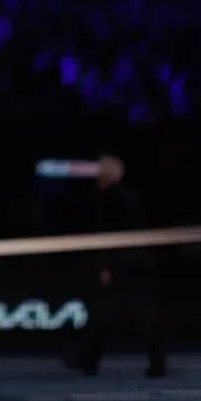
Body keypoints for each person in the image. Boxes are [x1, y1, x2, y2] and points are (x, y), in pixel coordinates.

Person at [67, 155, 167, 378]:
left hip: (125, 263)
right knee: (117, 313)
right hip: (135, 261)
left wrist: (106, 264)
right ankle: (89, 358)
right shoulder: (127, 196)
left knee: (122, 314)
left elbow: (112, 234)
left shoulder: (112, 198)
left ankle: (88, 358)